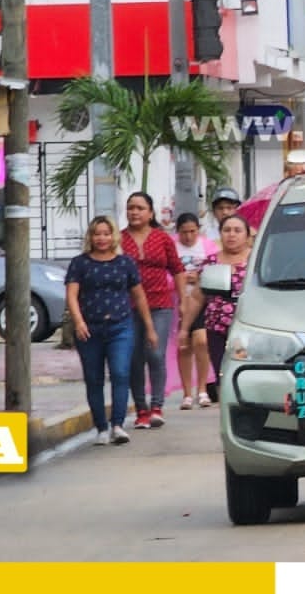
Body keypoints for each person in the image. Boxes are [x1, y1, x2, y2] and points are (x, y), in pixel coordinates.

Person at [64, 215, 157, 446]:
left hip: (120, 326)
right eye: (97, 234)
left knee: (120, 373)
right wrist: (79, 322)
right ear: (91, 237)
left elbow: (139, 295)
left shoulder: (125, 263)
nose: (102, 238)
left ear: (113, 235)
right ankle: (101, 428)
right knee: (93, 379)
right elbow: (72, 295)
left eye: (106, 233)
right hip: (90, 329)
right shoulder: (80, 263)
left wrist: (149, 327)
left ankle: (117, 424)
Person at [120, 191, 186, 430]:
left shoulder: (162, 238)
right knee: (134, 359)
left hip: (160, 305)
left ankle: (157, 406)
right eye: (130, 208)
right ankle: (141, 410)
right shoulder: (118, 240)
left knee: (155, 354)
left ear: (150, 213)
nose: (134, 212)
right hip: (127, 308)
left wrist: (183, 302)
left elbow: (177, 269)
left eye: (139, 208)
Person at [201, 213, 252, 403]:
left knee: (243, 367)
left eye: (237, 231)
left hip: (245, 325)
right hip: (215, 326)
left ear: (247, 236)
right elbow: (199, 296)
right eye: (227, 230)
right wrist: (184, 327)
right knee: (221, 371)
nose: (231, 235)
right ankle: (226, 408)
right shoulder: (211, 261)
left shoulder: (255, 260)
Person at [172, 213, 217, 410]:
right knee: (184, 347)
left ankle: (202, 389)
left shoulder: (208, 246)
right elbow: (167, 272)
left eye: (192, 232)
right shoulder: (172, 246)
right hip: (179, 302)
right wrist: (181, 279)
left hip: (202, 302)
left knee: (202, 341)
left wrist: (199, 278)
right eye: (184, 232)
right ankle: (187, 393)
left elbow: (216, 269)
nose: (188, 237)